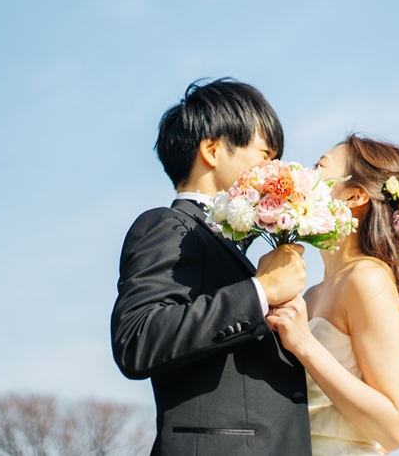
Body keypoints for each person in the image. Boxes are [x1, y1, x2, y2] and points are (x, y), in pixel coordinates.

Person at [111, 78, 312, 456]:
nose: (275, 170)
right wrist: (260, 291)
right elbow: (137, 338)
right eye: (265, 154)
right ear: (212, 149)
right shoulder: (170, 227)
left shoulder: (232, 247)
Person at [267, 134, 399, 455]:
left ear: (354, 196)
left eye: (319, 167)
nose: (305, 175)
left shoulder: (366, 278)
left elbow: (394, 429)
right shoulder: (311, 295)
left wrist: (305, 345)